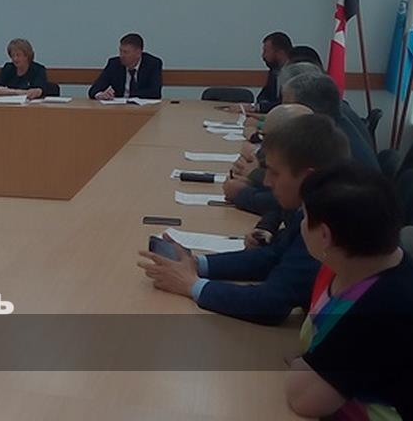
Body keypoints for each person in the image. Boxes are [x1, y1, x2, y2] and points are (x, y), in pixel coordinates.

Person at [286, 163, 413, 419]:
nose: (302, 225)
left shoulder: (384, 305)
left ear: (325, 235)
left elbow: (304, 401)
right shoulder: (366, 266)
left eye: (305, 217)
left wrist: (303, 366)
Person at [138, 114, 350, 325]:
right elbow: (272, 257)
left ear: (309, 178)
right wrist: (197, 264)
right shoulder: (311, 209)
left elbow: (271, 304)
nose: (266, 182)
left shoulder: (324, 227)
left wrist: (191, 284)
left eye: (275, 173)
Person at [282, 73, 377, 170]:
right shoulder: (337, 122)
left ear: (308, 108)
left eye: (287, 105)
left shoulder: (330, 145)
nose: (282, 110)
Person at [89, 33, 162, 100]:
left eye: (126, 52)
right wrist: (101, 95)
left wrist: (128, 96)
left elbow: (155, 92)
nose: (122, 56)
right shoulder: (114, 64)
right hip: (119, 107)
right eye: (120, 51)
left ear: (138, 53)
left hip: (145, 108)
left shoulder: (153, 64)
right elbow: (93, 90)